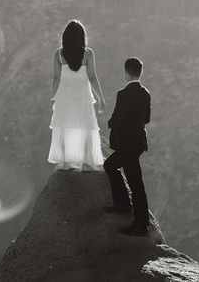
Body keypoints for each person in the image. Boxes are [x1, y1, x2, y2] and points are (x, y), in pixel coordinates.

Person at [48, 20, 106, 170]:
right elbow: (93, 77)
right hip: (83, 97)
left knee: (65, 126)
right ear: (82, 37)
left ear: (65, 37)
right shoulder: (88, 54)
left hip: (64, 96)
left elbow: (55, 78)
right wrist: (100, 97)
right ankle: (87, 162)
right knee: (86, 125)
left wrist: (53, 97)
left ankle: (67, 163)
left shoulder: (59, 55)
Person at [103, 56, 151, 236]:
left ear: (126, 72)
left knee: (135, 183)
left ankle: (141, 224)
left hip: (126, 144)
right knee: (111, 166)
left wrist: (110, 122)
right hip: (137, 143)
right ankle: (124, 205)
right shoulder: (146, 93)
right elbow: (146, 118)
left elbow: (117, 117)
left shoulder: (123, 94)